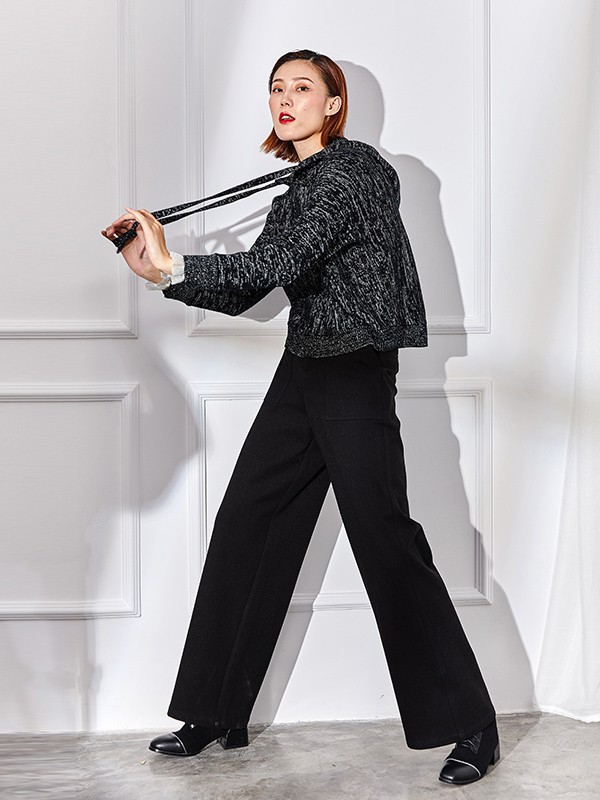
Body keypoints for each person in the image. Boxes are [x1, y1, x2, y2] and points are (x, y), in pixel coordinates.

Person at [101, 49, 499, 786]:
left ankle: (472, 723)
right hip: (306, 365)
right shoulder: (301, 186)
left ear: (333, 104)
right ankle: (218, 710)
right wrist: (158, 272)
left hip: (353, 370)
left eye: (303, 87)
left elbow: (264, 268)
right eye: (276, 88)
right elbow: (251, 289)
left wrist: (171, 266)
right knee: (249, 523)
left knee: (383, 539)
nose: (285, 98)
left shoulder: (351, 173)